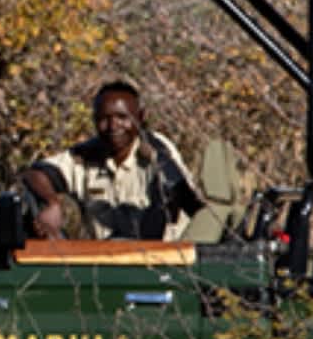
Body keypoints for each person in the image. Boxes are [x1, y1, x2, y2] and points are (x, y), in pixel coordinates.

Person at [21, 79, 206, 242]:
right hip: (105, 264)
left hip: (163, 263)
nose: (113, 126)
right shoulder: (86, 155)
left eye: (122, 117)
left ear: (141, 117)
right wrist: (52, 203)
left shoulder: (156, 150)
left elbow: (182, 196)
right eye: (104, 119)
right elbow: (36, 173)